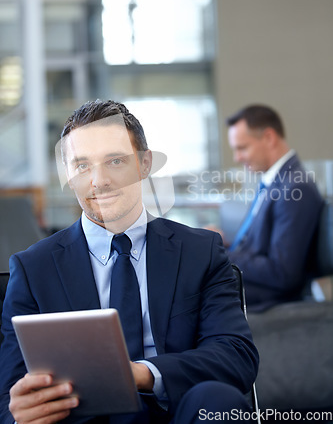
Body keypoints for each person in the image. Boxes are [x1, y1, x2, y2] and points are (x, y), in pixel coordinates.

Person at [0, 100, 258, 424]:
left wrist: (140, 374)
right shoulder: (33, 270)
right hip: (87, 417)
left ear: (145, 164)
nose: (99, 180)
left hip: (180, 411)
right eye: (82, 166)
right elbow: (8, 399)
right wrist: (20, 414)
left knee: (217, 399)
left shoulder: (199, 252)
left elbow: (236, 357)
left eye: (115, 161)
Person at [225, 104, 323, 312]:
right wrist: (222, 244)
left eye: (242, 148)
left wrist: (220, 253)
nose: (237, 158)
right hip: (251, 281)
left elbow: (282, 272)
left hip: (267, 294)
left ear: (269, 137)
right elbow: (257, 247)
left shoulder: (296, 188)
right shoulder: (274, 181)